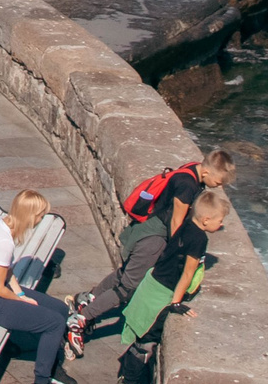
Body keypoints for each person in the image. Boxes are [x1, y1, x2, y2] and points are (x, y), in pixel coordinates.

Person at [68, 150, 236, 359]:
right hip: (153, 240)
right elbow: (176, 221)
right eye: (218, 181)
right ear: (208, 172)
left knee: (125, 274)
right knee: (127, 289)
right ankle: (80, 320)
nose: (218, 186)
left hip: (146, 231)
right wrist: (175, 252)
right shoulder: (188, 186)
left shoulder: (193, 170)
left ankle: (89, 298)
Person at [108, 190, 229, 384]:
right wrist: (176, 302)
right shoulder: (200, 239)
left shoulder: (185, 225)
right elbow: (187, 273)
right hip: (161, 294)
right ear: (206, 220)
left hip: (152, 283)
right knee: (143, 346)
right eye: (220, 220)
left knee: (142, 342)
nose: (221, 224)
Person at [0, 189, 74, 384]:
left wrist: (21, 292)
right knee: (53, 323)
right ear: (29, 215)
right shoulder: (2, 241)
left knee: (60, 309)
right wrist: (21, 300)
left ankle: (51, 366)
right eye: (40, 216)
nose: (41, 220)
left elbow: (6, 270)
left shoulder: (3, 224)